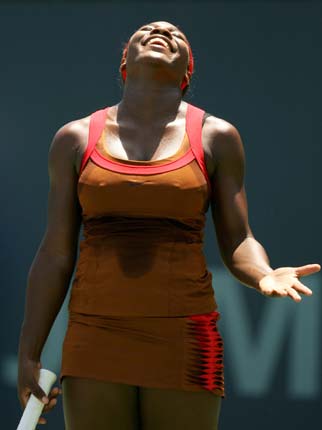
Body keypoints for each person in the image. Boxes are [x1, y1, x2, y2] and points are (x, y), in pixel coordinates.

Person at [17, 20, 320, 430]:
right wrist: (29, 352)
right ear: (125, 62)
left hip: (186, 337)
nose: (162, 29)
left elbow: (239, 240)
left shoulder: (218, 137)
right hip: (95, 334)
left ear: (186, 74)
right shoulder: (72, 139)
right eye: (147, 30)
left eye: (178, 36)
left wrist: (263, 273)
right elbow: (55, 252)